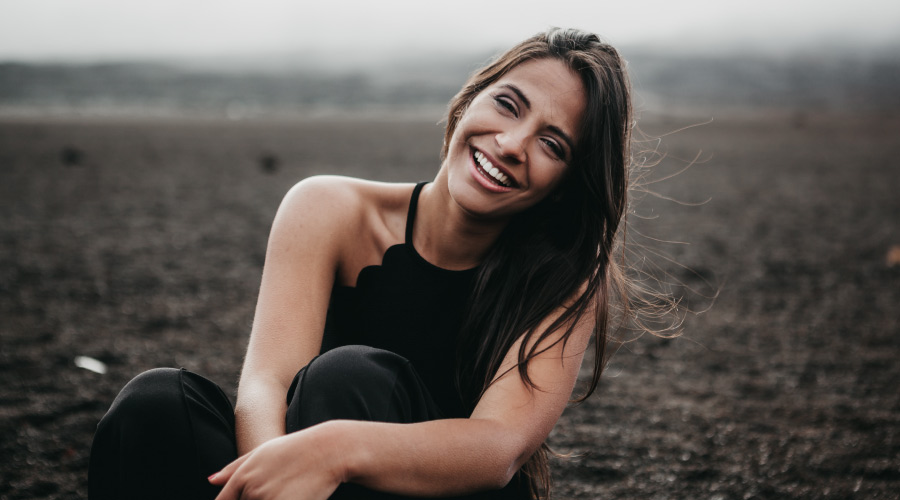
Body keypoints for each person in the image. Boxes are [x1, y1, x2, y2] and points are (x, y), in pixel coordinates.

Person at [89, 27, 636, 500]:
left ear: (566, 188)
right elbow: (266, 383)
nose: (512, 142)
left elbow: (499, 448)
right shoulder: (327, 209)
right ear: (470, 99)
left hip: (444, 489)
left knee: (347, 379)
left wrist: (336, 450)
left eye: (553, 145)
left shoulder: (566, 276)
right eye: (508, 105)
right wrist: (283, 473)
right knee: (156, 406)